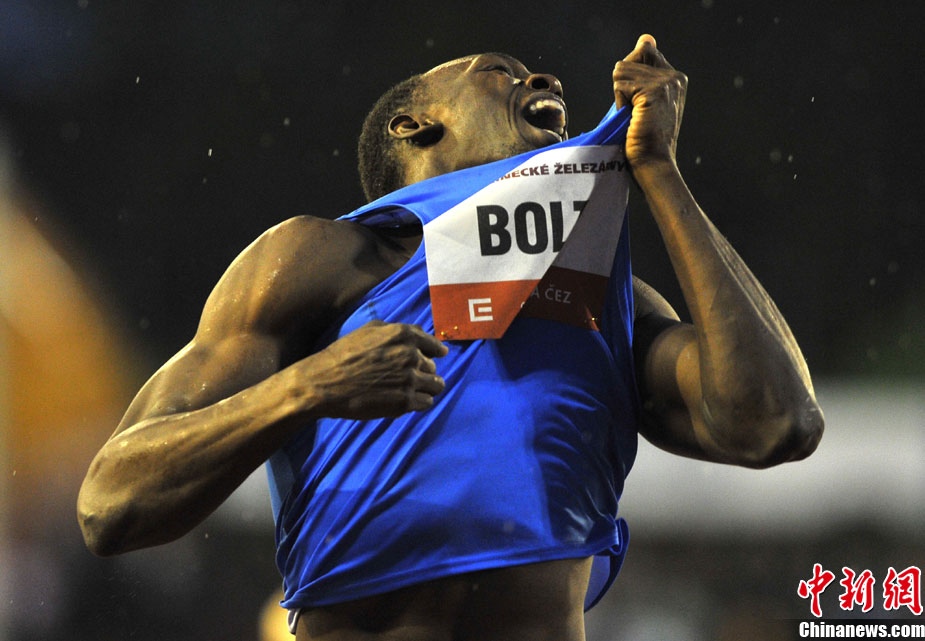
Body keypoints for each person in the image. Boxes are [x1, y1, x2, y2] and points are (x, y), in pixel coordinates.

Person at [77, 35, 823, 641]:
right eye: (500, 72)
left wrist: (658, 171)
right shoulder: (322, 259)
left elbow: (777, 423)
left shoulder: (605, 302)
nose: (542, 80)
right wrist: (305, 389)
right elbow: (110, 503)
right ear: (414, 125)